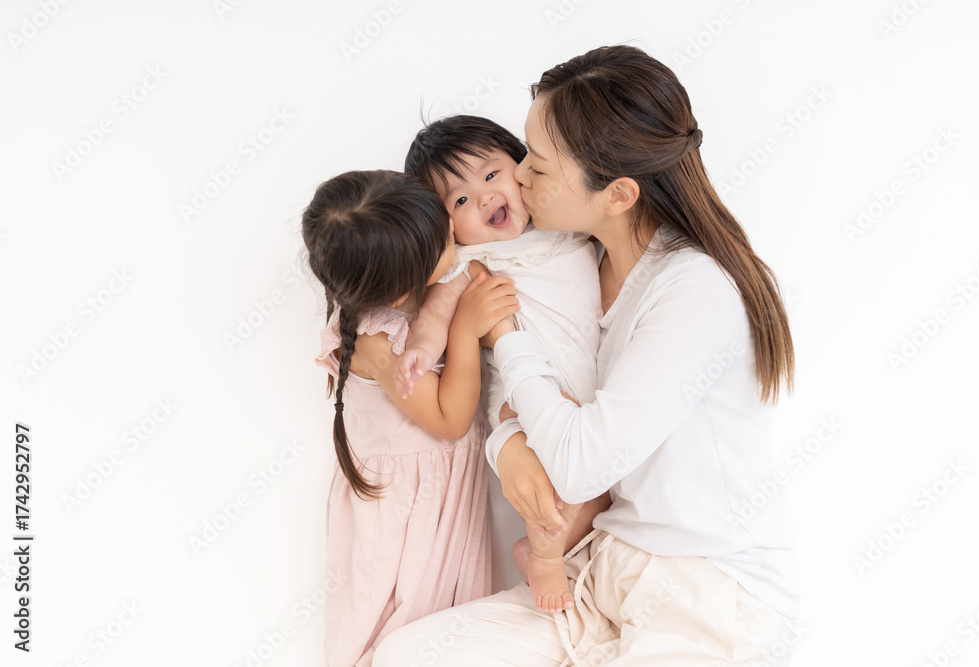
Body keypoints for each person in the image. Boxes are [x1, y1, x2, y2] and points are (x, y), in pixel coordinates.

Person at [373, 44, 799, 666]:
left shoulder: (694, 289)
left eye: (536, 167)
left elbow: (578, 466)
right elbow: (533, 399)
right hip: (602, 569)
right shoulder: (573, 265)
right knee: (406, 656)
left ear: (618, 194)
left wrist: (502, 334)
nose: (518, 178)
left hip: (704, 592)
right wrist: (505, 444)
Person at [394, 115, 612, 612]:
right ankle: (545, 557)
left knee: (596, 490)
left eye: (492, 175)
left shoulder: (566, 228)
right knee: (562, 482)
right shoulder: (473, 262)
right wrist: (420, 351)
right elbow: (434, 316)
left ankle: (551, 549)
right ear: (446, 226)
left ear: (523, 167)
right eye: (460, 201)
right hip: (522, 401)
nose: (484, 197)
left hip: (585, 392)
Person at [303, 170, 519, 667]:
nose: (455, 236)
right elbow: (449, 420)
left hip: (447, 494)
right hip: (405, 508)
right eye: (444, 242)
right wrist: (465, 330)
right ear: (400, 289)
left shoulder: (426, 286)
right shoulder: (376, 341)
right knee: (393, 623)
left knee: (451, 632)